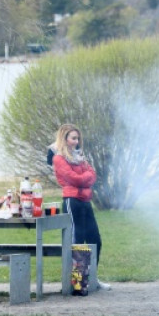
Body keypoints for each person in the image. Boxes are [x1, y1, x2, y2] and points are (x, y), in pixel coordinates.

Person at [51, 123, 111, 291]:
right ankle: (78, 283)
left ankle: (92, 278)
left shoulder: (80, 157)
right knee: (77, 241)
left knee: (95, 240)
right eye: (73, 138)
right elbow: (73, 179)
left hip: (86, 201)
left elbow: (93, 175)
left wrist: (83, 177)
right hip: (72, 201)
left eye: (78, 138)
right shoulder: (59, 159)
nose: (77, 142)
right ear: (64, 139)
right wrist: (84, 177)